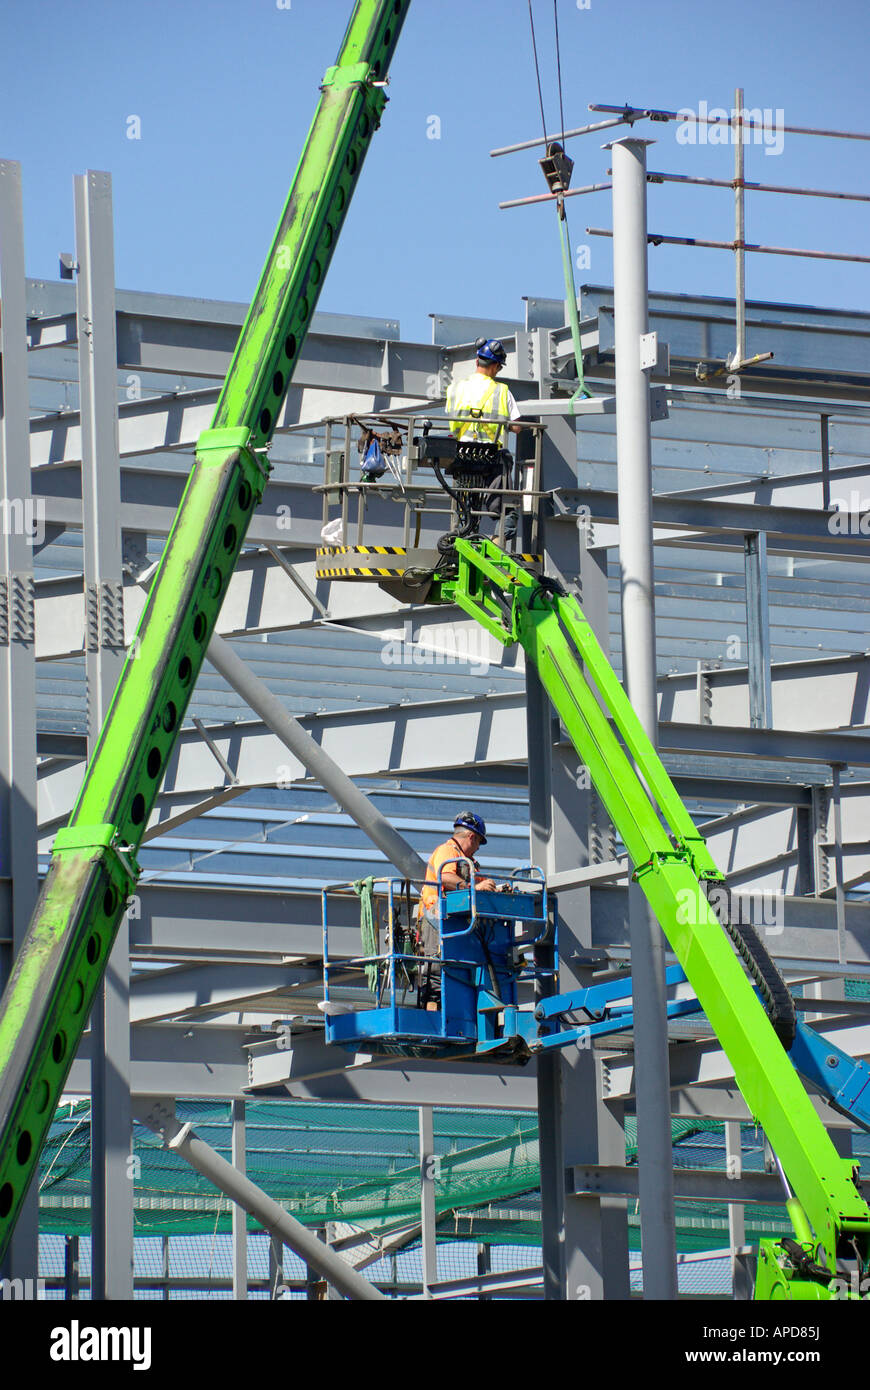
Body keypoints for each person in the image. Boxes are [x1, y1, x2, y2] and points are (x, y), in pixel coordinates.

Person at [445, 339, 524, 540]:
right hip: (490, 458)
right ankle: (502, 533)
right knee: (505, 461)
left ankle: (461, 528)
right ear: (496, 366)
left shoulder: (455, 388)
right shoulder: (502, 391)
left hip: (461, 456)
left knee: (464, 498)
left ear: (477, 362)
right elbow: (516, 427)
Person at [416, 811, 496, 1010]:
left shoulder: (465, 860)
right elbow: (447, 877)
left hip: (452, 923)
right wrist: (474, 888)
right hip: (435, 918)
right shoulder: (448, 851)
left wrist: (494, 887)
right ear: (471, 837)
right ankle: (433, 1016)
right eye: (478, 843)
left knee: (454, 971)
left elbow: (478, 882)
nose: (477, 849)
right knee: (435, 973)